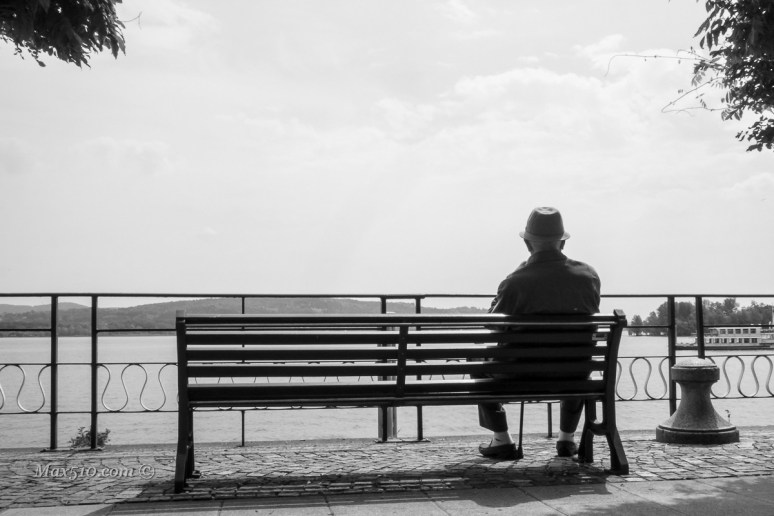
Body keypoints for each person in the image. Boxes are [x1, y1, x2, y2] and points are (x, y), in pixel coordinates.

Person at [478, 206, 601, 460]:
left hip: (518, 375)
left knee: (478, 367)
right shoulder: (588, 276)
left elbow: (492, 326)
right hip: (573, 373)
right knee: (577, 360)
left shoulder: (516, 281)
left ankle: (502, 439)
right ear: (562, 243)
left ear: (527, 243)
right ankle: (567, 440)